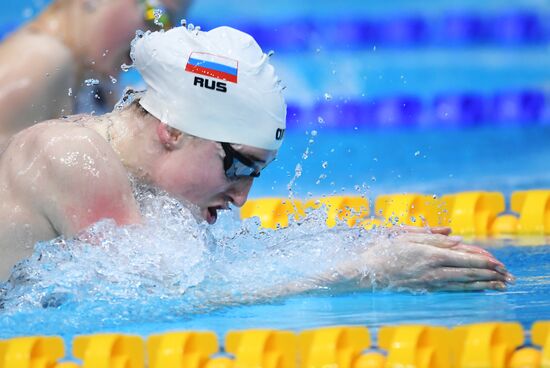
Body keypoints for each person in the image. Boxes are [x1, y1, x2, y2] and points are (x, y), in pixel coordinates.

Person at [0, 26, 513, 293]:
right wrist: (361, 272)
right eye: (238, 164)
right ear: (173, 129)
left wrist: (357, 244)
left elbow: (198, 278)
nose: (242, 195)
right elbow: (156, 302)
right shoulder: (71, 157)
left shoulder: (138, 183)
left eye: (255, 174)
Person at [0, 0, 190, 147]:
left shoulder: (92, 82)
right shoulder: (40, 61)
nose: (160, 36)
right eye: (157, 14)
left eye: (170, 27)